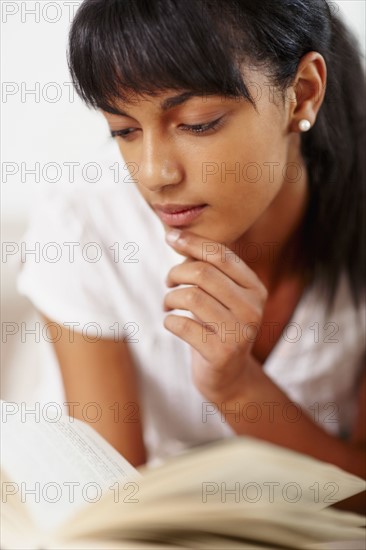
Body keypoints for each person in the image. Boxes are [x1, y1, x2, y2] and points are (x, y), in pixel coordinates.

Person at [17, 0, 365, 513]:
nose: (156, 174)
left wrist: (237, 387)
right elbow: (113, 515)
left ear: (303, 94)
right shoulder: (83, 229)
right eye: (124, 131)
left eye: (198, 124)